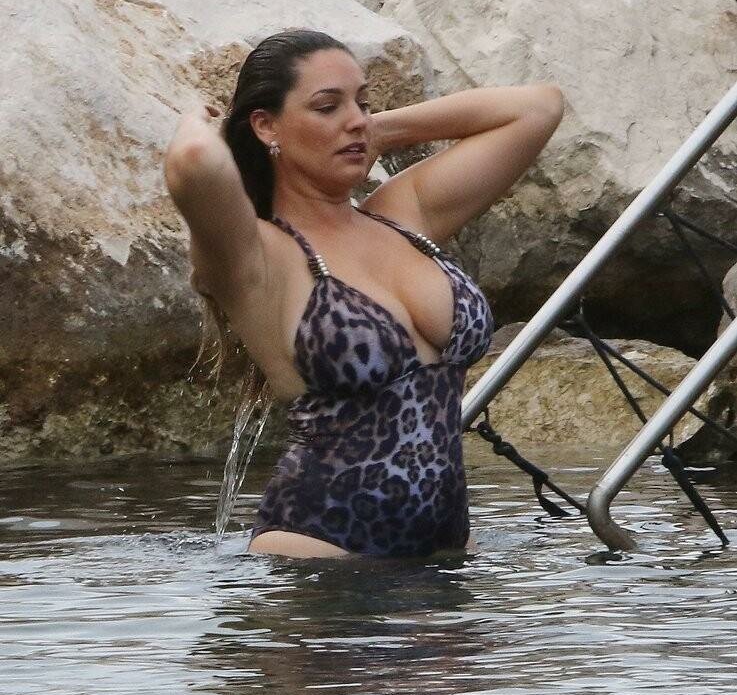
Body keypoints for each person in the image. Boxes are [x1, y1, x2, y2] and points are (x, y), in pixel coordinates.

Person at [165, 29, 564, 559]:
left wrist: (377, 130)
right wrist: (197, 117)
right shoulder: (257, 256)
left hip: (444, 562)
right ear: (265, 126)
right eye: (327, 106)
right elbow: (194, 159)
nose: (354, 118)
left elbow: (538, 109)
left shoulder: (403, 215)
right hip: (321, 558)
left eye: (363, 102)